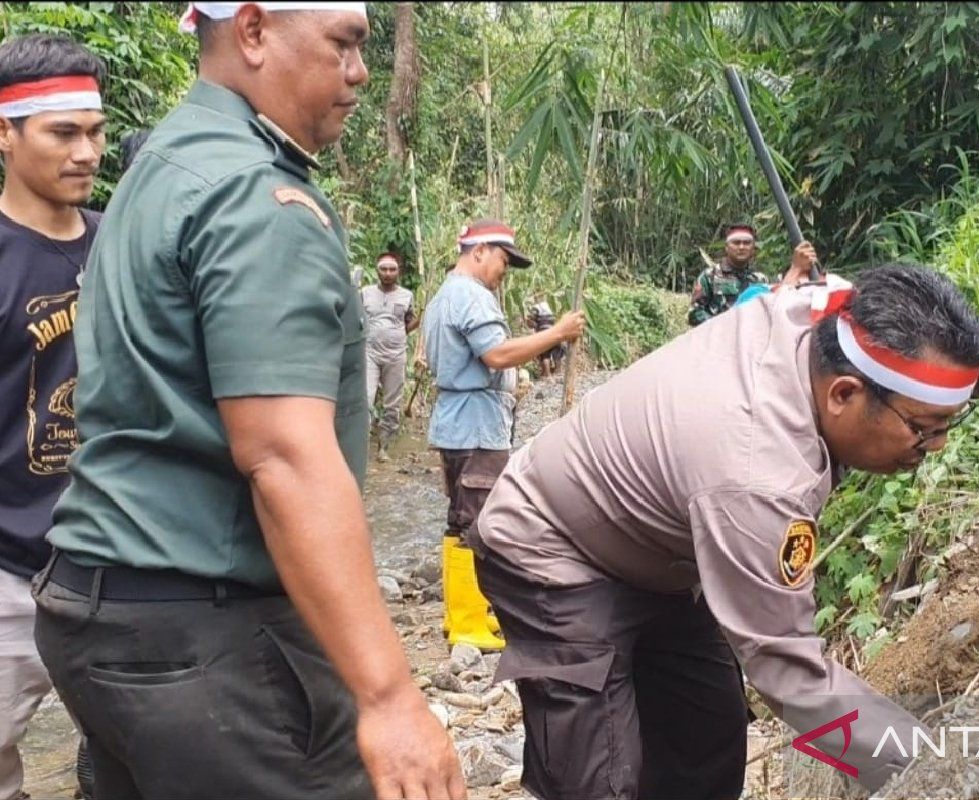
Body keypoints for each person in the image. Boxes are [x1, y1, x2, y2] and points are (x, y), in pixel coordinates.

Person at [466, 224, 979, 798]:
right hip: (550, 544)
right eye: (925, 431)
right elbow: (790, 678)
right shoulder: (756, 474)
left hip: (662, 548)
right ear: (844, 396)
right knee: (599, 777)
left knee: (705, 748)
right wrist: (938, 769)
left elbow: (947, 371)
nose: (935, 448)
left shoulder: (831, 313)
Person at [32, 4, 464, 799]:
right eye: (344, 43)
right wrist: (390, 697)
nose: (359, 71)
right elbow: (282, 454)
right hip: (205, 634)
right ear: (256, 32)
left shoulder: (161, 164)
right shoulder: (255, 200)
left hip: (97, 614)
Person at [0, 33, 106, 800]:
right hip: (7, 571)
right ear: (5, 133)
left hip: (115, 567)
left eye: (96, 131)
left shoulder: (123, 244)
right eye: (62, 133)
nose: (87, 151)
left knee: (127, 761)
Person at [423, 218, 585, 651]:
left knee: (461, 519)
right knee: (479, 520)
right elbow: (496, 354)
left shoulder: (443, 295)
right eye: (502, 260)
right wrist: (557, 333)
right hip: (474, 424)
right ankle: (467, 622)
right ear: (478, 252)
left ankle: (465, 613)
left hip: (458, 422)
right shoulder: (471, 295)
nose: (504, 271)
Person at [363, 251, 417, 461]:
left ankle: (383, 447)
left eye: (392, 269)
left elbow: (410, 321)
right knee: (366, 400)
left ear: (398, 272)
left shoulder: (406, 296)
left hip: (396, 354)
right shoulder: (365, 293)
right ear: (377, 271)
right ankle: (361, 447)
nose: (387, 273)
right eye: (383, 269)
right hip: (370, 353)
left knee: (392, 404)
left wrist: (405, 329)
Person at [687, 223, 770, 326]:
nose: (741, 247)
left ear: (753, 248)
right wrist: (721, 325)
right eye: (736, 243)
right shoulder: (710, 276)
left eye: (747, 243)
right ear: (726, 247)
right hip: (717, 338)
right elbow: (694, 313)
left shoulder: (760, 280)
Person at [524, 299, 566, 377]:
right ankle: (558, 372)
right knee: (557, 351)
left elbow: (531, 321)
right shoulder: (550, 306)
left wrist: (528, 321)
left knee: (544, 353)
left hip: (544, 333)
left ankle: (547, 374)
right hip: (555, 331)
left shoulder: (536, 307)